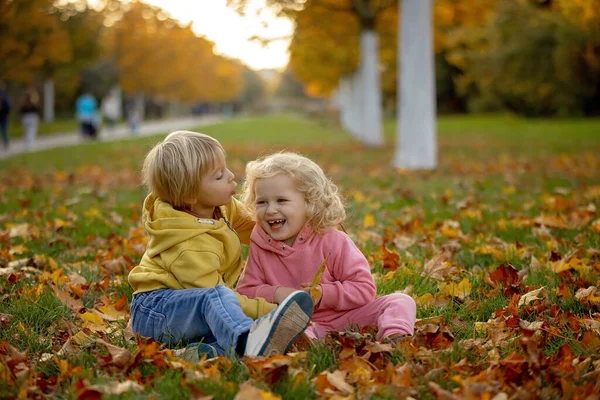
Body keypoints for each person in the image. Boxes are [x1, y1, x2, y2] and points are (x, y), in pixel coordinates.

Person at [127, 131, 314, 359]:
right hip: (156, 312)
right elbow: (220, 298)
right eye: (218, 176)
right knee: (216, 299)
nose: (231, 176)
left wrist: (299, 222)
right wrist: (271, 312)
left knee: (219, 313)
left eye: (225, 168)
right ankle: (249, 339)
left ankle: (205, 353)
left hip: (189, 309)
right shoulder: (189, 247)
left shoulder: (219, 208)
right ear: (190, 195)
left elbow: (258, 227)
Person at [237, 152, 416, 342]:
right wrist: (278, 293)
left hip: (345, 317)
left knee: (400, 300)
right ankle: (303, 342)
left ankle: (395, 336)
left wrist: (324, 294)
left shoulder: (332, 240)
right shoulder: (261, 243)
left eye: (281, 200)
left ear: (309, 203)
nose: (271, 209)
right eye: (262, 202)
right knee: (285, 326)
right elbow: (245, 291)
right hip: (297, 322)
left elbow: (364, 289)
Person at [0, 83, 10, 150]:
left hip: (3, 116)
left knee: (4, 130)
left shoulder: (3, 96)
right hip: (3, 116)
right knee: (4, 130)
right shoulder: (4, 96)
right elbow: (8, 106)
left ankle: (6, 143)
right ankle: (6, 143)